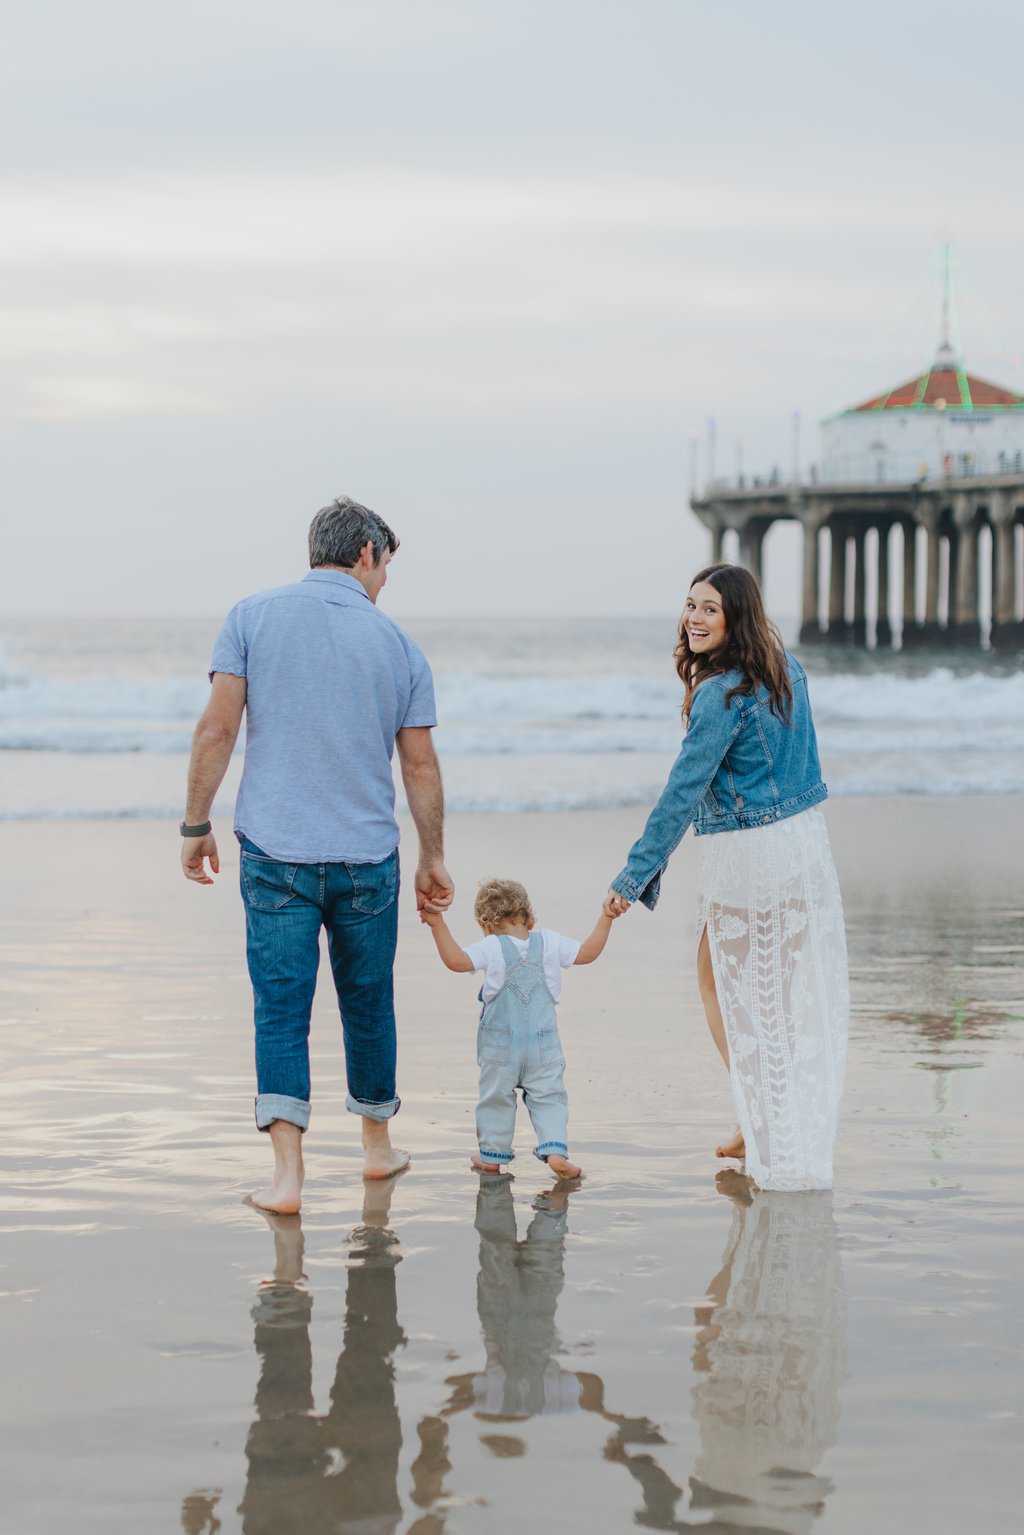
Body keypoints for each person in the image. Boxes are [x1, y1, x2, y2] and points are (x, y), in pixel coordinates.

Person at [180, 495, 453, 1213]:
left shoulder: (250, 617)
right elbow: (420, 767)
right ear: (366, 553)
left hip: (275, 851)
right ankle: (375, 1150)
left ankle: (288, 1178)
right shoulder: (398, 646)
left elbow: (218, 730)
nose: (386, 579)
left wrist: (194, 822)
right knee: (369, 1003)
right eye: (387, 563)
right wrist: (433, 855)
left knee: (280, 1007)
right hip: (367, 858)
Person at [607, 563, 848, 1192]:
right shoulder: (785, 668)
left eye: (709, 608)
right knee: (772, 997)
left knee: (728, 987)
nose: (693, 618)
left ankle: (759, 1111)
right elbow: (810, 759)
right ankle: (762, 1111)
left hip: (749, 853)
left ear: (735, 614)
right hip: (801, 844)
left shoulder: (720, 694)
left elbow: (683, 790)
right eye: (690, 605)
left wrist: (635, 875)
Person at [420, 878, 620, 1178]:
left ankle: (491, 1156)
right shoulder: (550, 942)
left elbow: (457, 962)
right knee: (550, 1097)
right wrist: (606, 917)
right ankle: (555, 1152)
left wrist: (437, 924)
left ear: (486, 924)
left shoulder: (491, 946)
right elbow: (588, 953)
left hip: (500, 1049)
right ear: (531, 919)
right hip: (544, 1048)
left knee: (495, 1098)